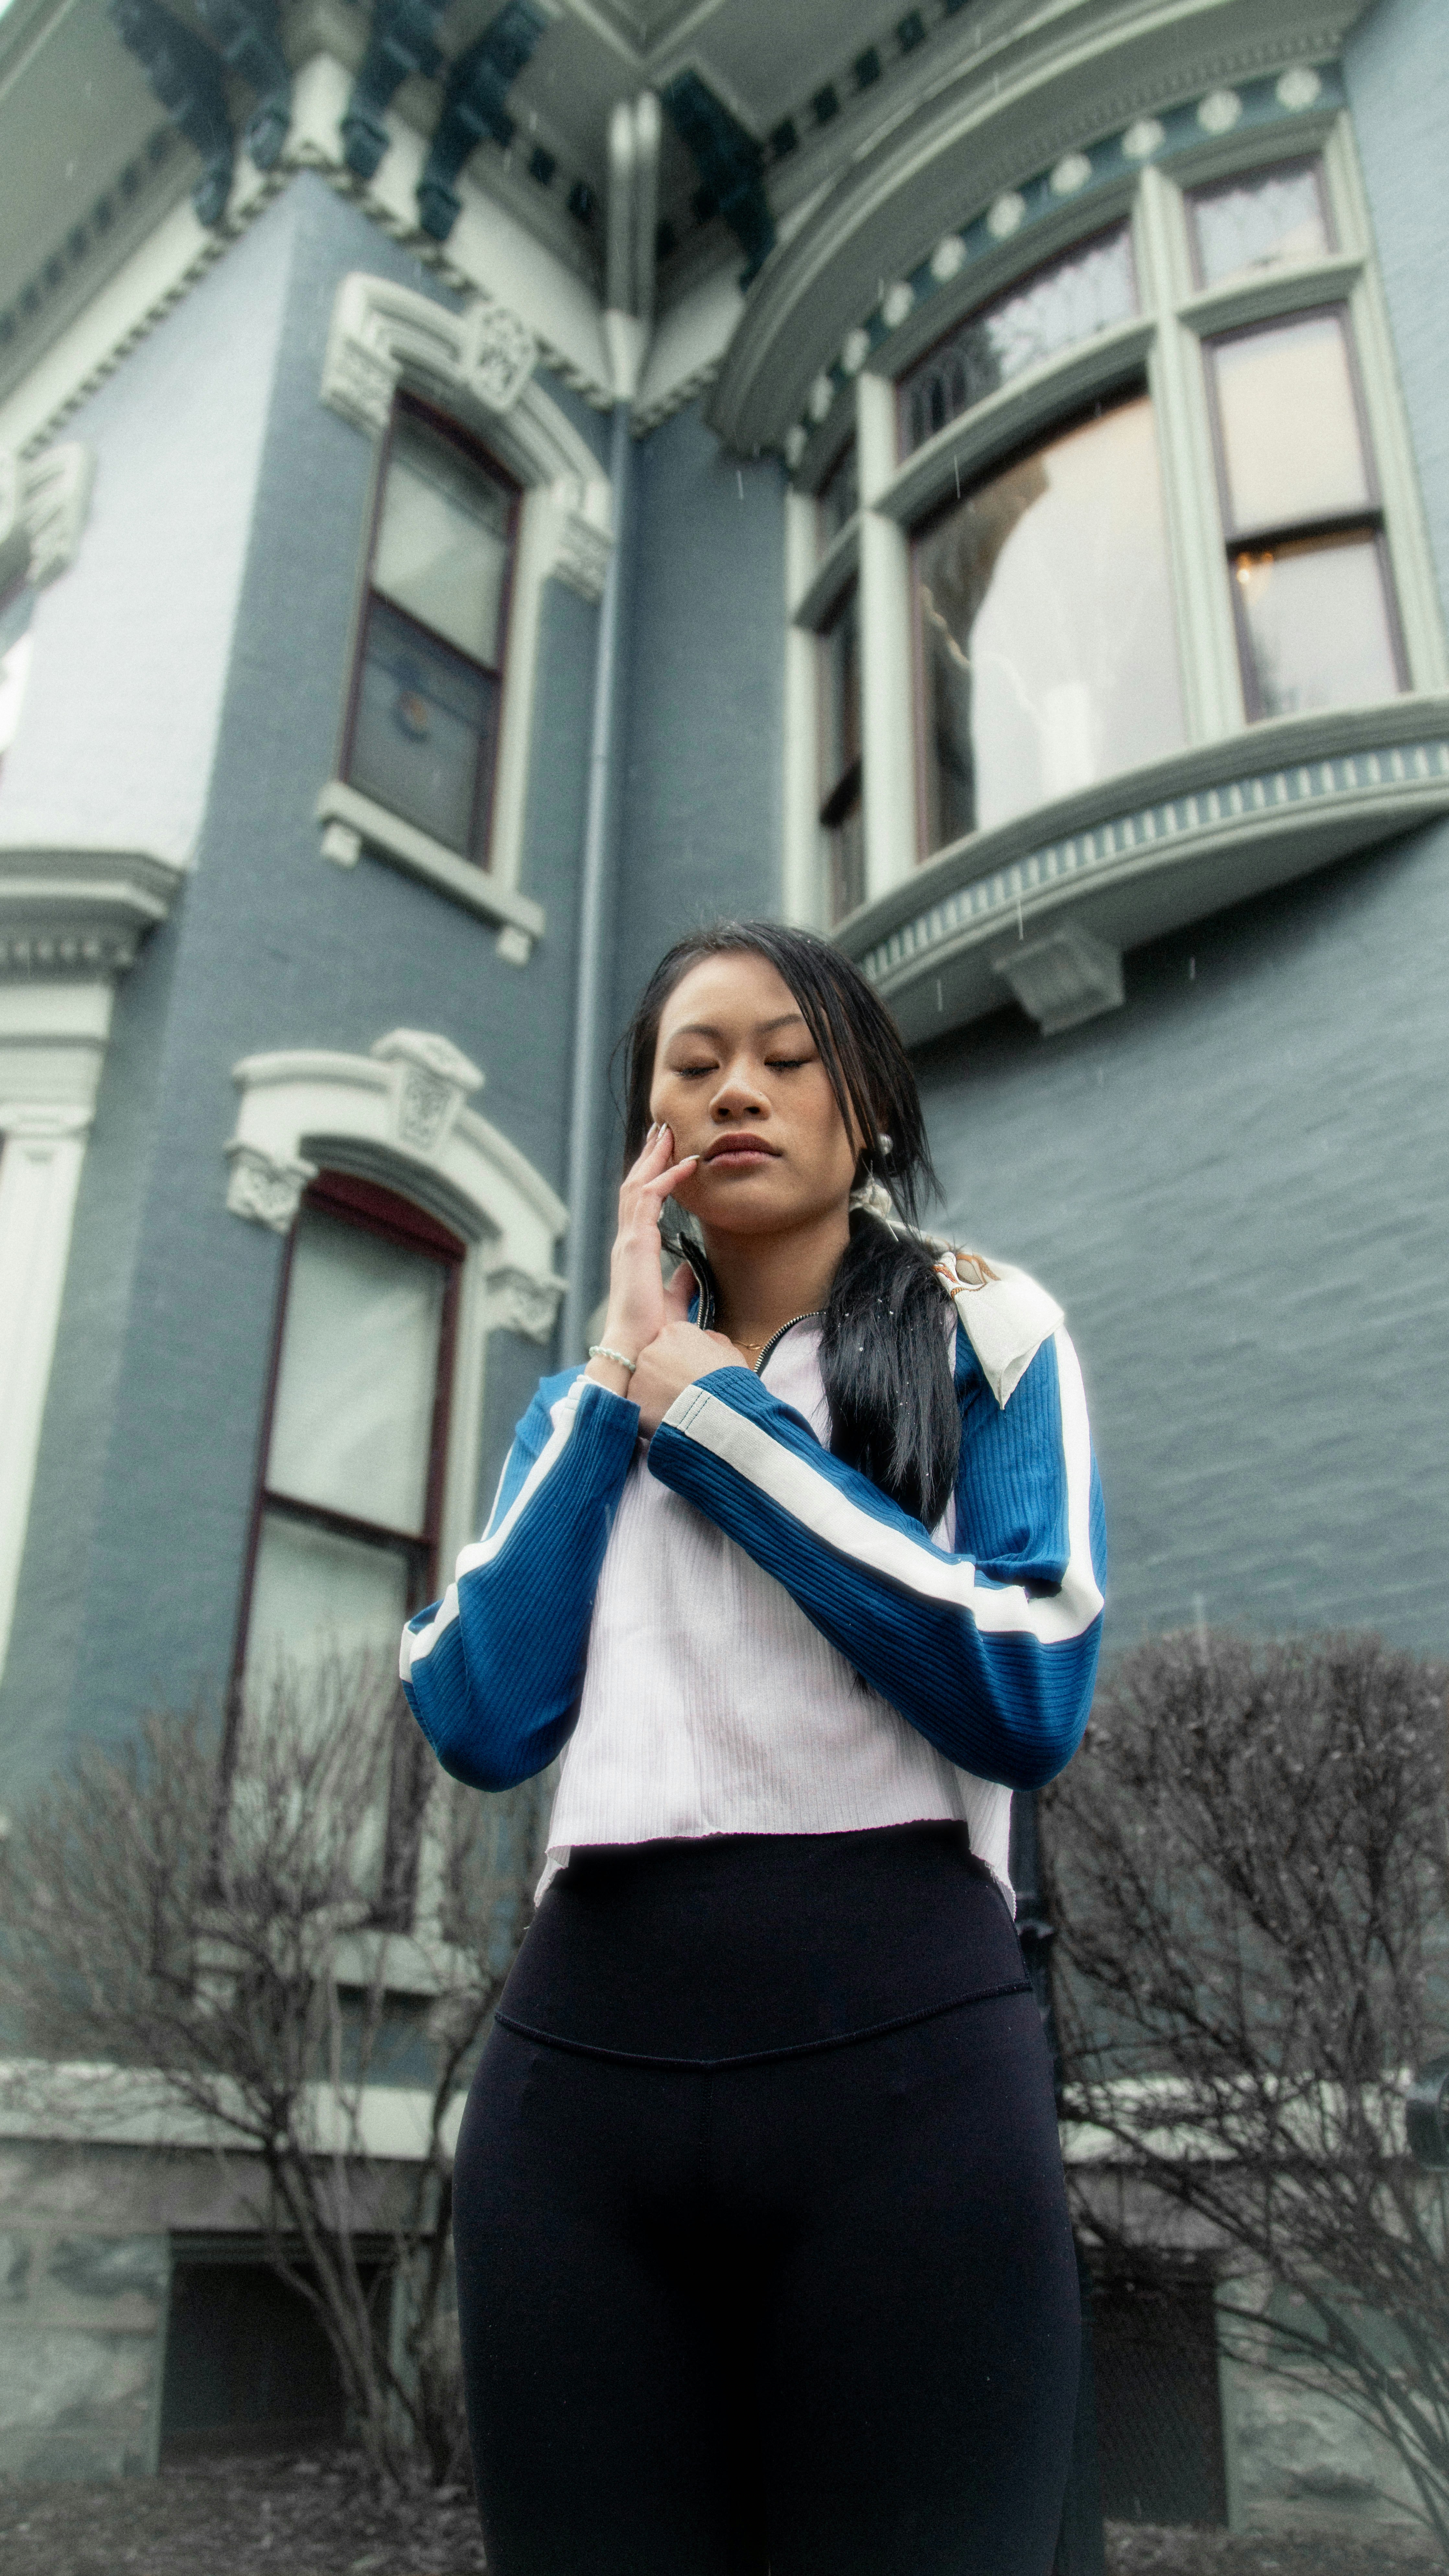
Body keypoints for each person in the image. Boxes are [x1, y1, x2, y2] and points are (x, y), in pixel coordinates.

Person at [400, 920, 1107, 2576]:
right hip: (578, 2082)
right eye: (692, 1065)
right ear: (649, 1131)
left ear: (865, 1102)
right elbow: (475, 1710)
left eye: (786, 1057)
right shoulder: (582, 1403)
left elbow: (1026, 1688)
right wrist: (622, 1373)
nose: (738, 1089)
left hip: (907, 2063)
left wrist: (719, 1424)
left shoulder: (980, 1327)